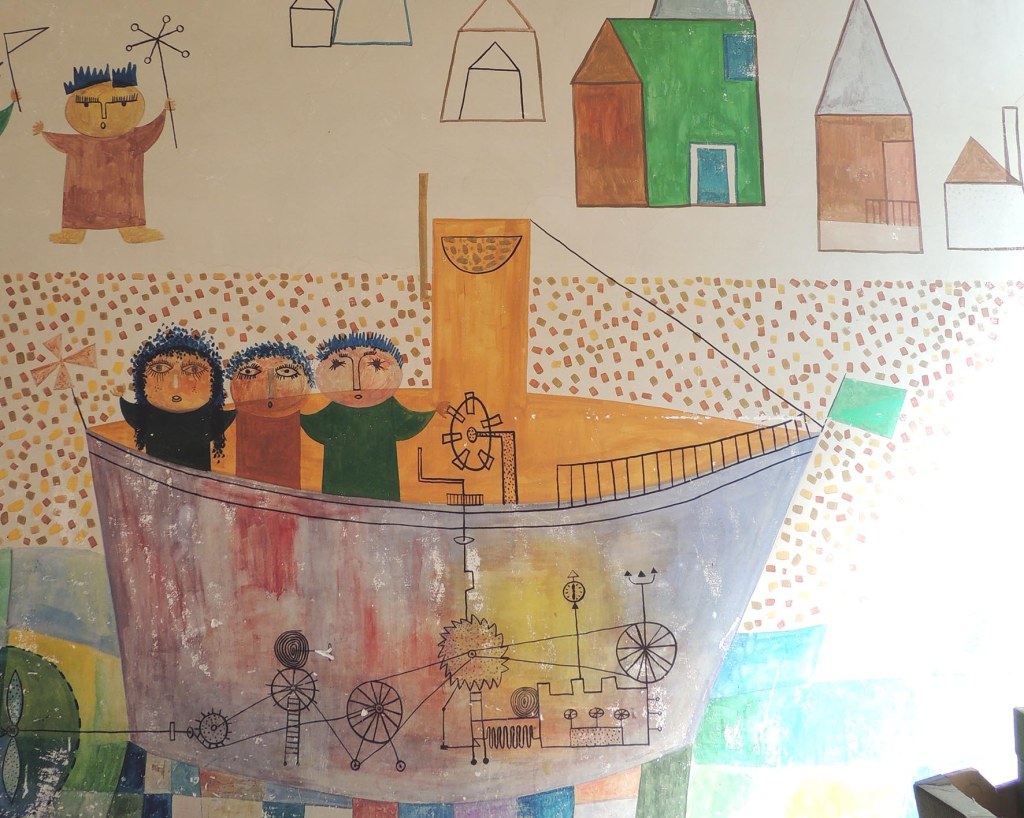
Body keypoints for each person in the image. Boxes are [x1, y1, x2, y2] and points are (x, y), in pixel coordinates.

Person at [34, 63, 172, 244]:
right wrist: (44, 133)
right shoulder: (80, 143)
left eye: (122, 103)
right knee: (77, 211)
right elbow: (60, 141)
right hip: (84, 197)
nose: (104, 115)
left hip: (123, 198)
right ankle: (73, 231)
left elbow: (152, 129)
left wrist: (164, 112)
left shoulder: (132, 140)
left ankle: (132, 229)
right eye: (87, 104)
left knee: (128, 212)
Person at [301, 332, 445, 501]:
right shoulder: (334, 410)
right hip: (340, 492)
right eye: (339, 365)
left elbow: (408, 423)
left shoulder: (388, 407)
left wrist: (434, 411)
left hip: (381, 492)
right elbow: (314, 425)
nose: (357, 383)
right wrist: (295, 415)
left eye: (375, 365)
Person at [121, 326, 235, 470]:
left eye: (193, 369)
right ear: (141, 380)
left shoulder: (215, 420)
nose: (176, 385)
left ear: (214, 381)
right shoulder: (141, 417)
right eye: (159, 369)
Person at [225, 341, 314, 489]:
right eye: (249, 372)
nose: (270, 388)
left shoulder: (299, 419)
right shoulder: (237, 418)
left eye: (286, 372)